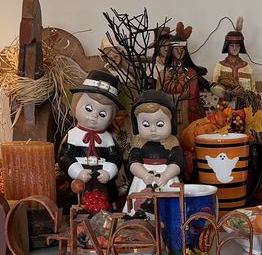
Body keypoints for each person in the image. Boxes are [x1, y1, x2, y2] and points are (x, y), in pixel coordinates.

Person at [59, 70, 124, 213]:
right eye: (88, 109)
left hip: (103, 181)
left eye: (102, 114)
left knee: (106, 203)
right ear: (76, 104)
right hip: (80, 181)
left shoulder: (108, 138)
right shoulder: (72, 135)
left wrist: (108, 171)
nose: (94, 116)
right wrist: (78, 171)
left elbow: (116, 156)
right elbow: (64, 156)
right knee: (78, 204)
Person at [123, 90, 185, 213]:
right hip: (143, 178)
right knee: (138, 205)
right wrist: (144, 175)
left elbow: (178, 162)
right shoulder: (139, 145)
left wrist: (166, 175)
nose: (153, 129)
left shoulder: (173, 144)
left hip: (166, 178)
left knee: (169, 207)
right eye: (145, 124)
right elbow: (133, 163)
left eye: (160, 124)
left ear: (171, 122)